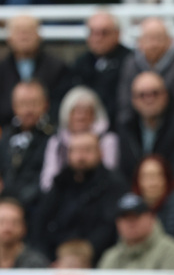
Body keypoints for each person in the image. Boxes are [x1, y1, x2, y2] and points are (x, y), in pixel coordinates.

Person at [30, 131, 127, 262]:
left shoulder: (113, 184)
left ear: (101, 153)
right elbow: (41, 222)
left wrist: (85, 252)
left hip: (99, 259)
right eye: (75, 151)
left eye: (87, 150)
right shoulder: (60, 183)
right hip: (56, 258)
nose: (80, 156)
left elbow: (111, 226)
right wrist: (50, 257)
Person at [118, 71, 174, 185]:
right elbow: (124, 172)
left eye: (155, 93)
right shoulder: (126, 127)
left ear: (166, 95)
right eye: (142, 95)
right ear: (133, 100)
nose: (149, 100)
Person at [117, 18, 174, 123]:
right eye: (149, 39)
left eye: (158, 38)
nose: (154, 44)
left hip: (173, 125)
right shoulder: (130, 64)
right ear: (140, 42)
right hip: (138, 124)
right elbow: (125, 102)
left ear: (170, 40)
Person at [40, 85, 119, 192]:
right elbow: (48, 179)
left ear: (95, 115)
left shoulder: (107, 140)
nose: (81, 117)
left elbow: (110, 172)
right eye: (76, 112)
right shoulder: (57, 142)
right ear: (67, 114)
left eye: (86, 112)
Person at [0, 15, 72, 127]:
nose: (24, 36)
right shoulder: (2, 69)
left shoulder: (57, 68)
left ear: (39, 36)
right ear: (9, 39)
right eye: (19, 32)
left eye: (28, 31)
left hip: (49, 132)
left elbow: (62, 105)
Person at [0, 80, 53, 215]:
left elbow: (45, 181)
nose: (28, 110)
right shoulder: (5, 135)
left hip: (36, 207)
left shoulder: (52, 137)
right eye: (23, 104)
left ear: (46, 104)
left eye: (34, 103)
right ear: (14, 106)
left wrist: (16, 202)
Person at [71, 11, 131, 129]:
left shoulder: (130, 62)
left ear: (117, 34)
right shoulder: (81, 63)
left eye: (104, 33)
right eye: (93, 33)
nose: (98, 38)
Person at [98, 192, 174, 270]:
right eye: (125, 218)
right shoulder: (110, 258)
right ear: (117, 223)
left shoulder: (170, 252)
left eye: (135, 217)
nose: (130, 223)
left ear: (150, 218)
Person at [132, 154, 174, 241]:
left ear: (166, 179)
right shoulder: (131, 204)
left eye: (157, 175)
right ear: (138, 180)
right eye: (147, 176)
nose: (152, 183)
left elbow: (172, 236)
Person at [0, 198, 49, 269]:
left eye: (15, 222)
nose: (7, 228)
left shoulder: (37, 264)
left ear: (24, 227)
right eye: (1, 222)